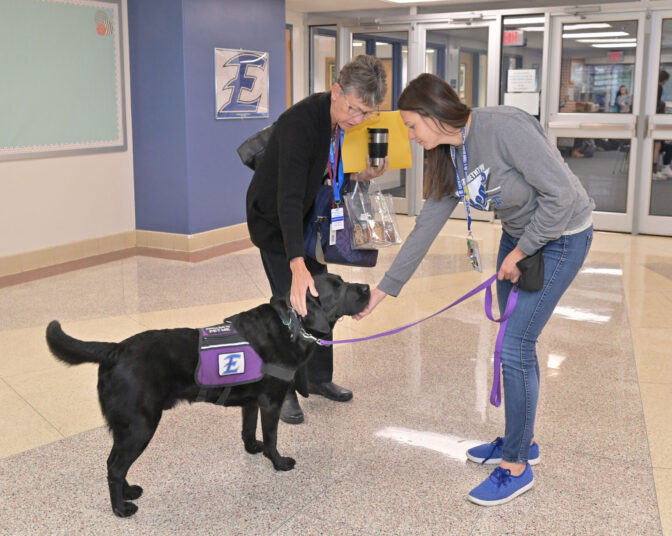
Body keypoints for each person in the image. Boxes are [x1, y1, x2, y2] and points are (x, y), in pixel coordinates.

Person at [355, 73, 595, 506]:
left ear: (432, 115)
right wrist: (383, 291)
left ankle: (516, 466)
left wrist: (520, 251)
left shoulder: (504, 128)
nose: (409, 136)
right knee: (515, 343)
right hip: (520, 237)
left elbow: (561, 196)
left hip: (562, 237)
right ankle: (523, 440)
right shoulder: (449, 153)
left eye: (411, 125)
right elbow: (426, 226)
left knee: (515, 347)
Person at [245, 55, 388, 425]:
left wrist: (362, 174)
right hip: (276, 221)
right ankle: (284, 389)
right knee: (291, 305)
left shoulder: (339, 122)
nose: (358, 119)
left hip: (308, 219)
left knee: (326, 297)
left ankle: (320, 378)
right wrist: (295, 263)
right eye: (355, 109)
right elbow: (287, 197)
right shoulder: (300, 123)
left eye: (367, 114)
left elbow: (327, 173)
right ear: (336, 91)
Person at [653, 70, 670, 180]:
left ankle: (655, 170)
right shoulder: (658, 88)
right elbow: (655, 104)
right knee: (656, 147)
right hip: (654, 121)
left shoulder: (652, 87)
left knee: (656, 147)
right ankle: (653, 171)